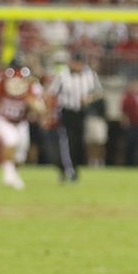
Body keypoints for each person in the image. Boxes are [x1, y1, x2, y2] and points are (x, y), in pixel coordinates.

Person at [0, 61, 45, 190]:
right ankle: (8, 175)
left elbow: (40, 108)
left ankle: (13, 175)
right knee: (11, 141)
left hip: (21, 122)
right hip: (2, 119)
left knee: (20, 156)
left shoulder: (31, 85)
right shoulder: (1, 80)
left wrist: (34, 104)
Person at [47, 52, 102, 181]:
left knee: (78, 143)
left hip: (81, 112)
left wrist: (89, 98)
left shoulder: (90, 75)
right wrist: (49, 113)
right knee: (67, 142)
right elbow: (51, 93)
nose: (77, 66)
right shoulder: (62, 75)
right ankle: (70, 170)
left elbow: (99, 92)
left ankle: (66, 168)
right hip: (67, 112)